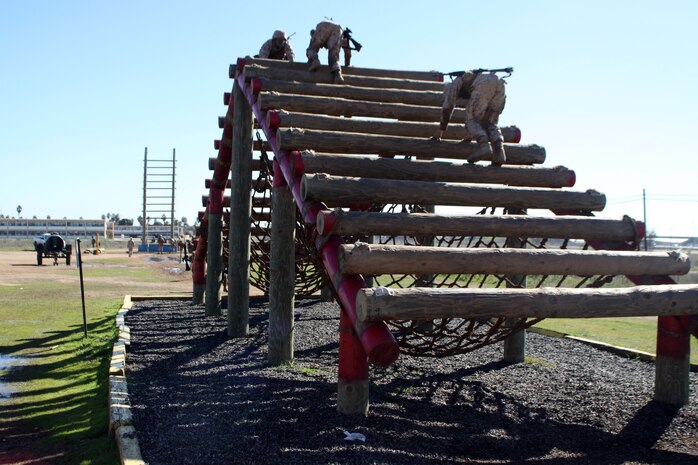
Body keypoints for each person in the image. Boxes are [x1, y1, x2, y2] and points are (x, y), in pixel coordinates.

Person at [433, 70, 507, 166]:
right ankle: (499, 153)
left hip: (484, 85)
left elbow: (447, 107)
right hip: (500, 84)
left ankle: (484, 147)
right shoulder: (470, 78)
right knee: (490, 122)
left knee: (471, 119)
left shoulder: (452, 86)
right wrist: (470, 135)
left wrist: (441, 130)